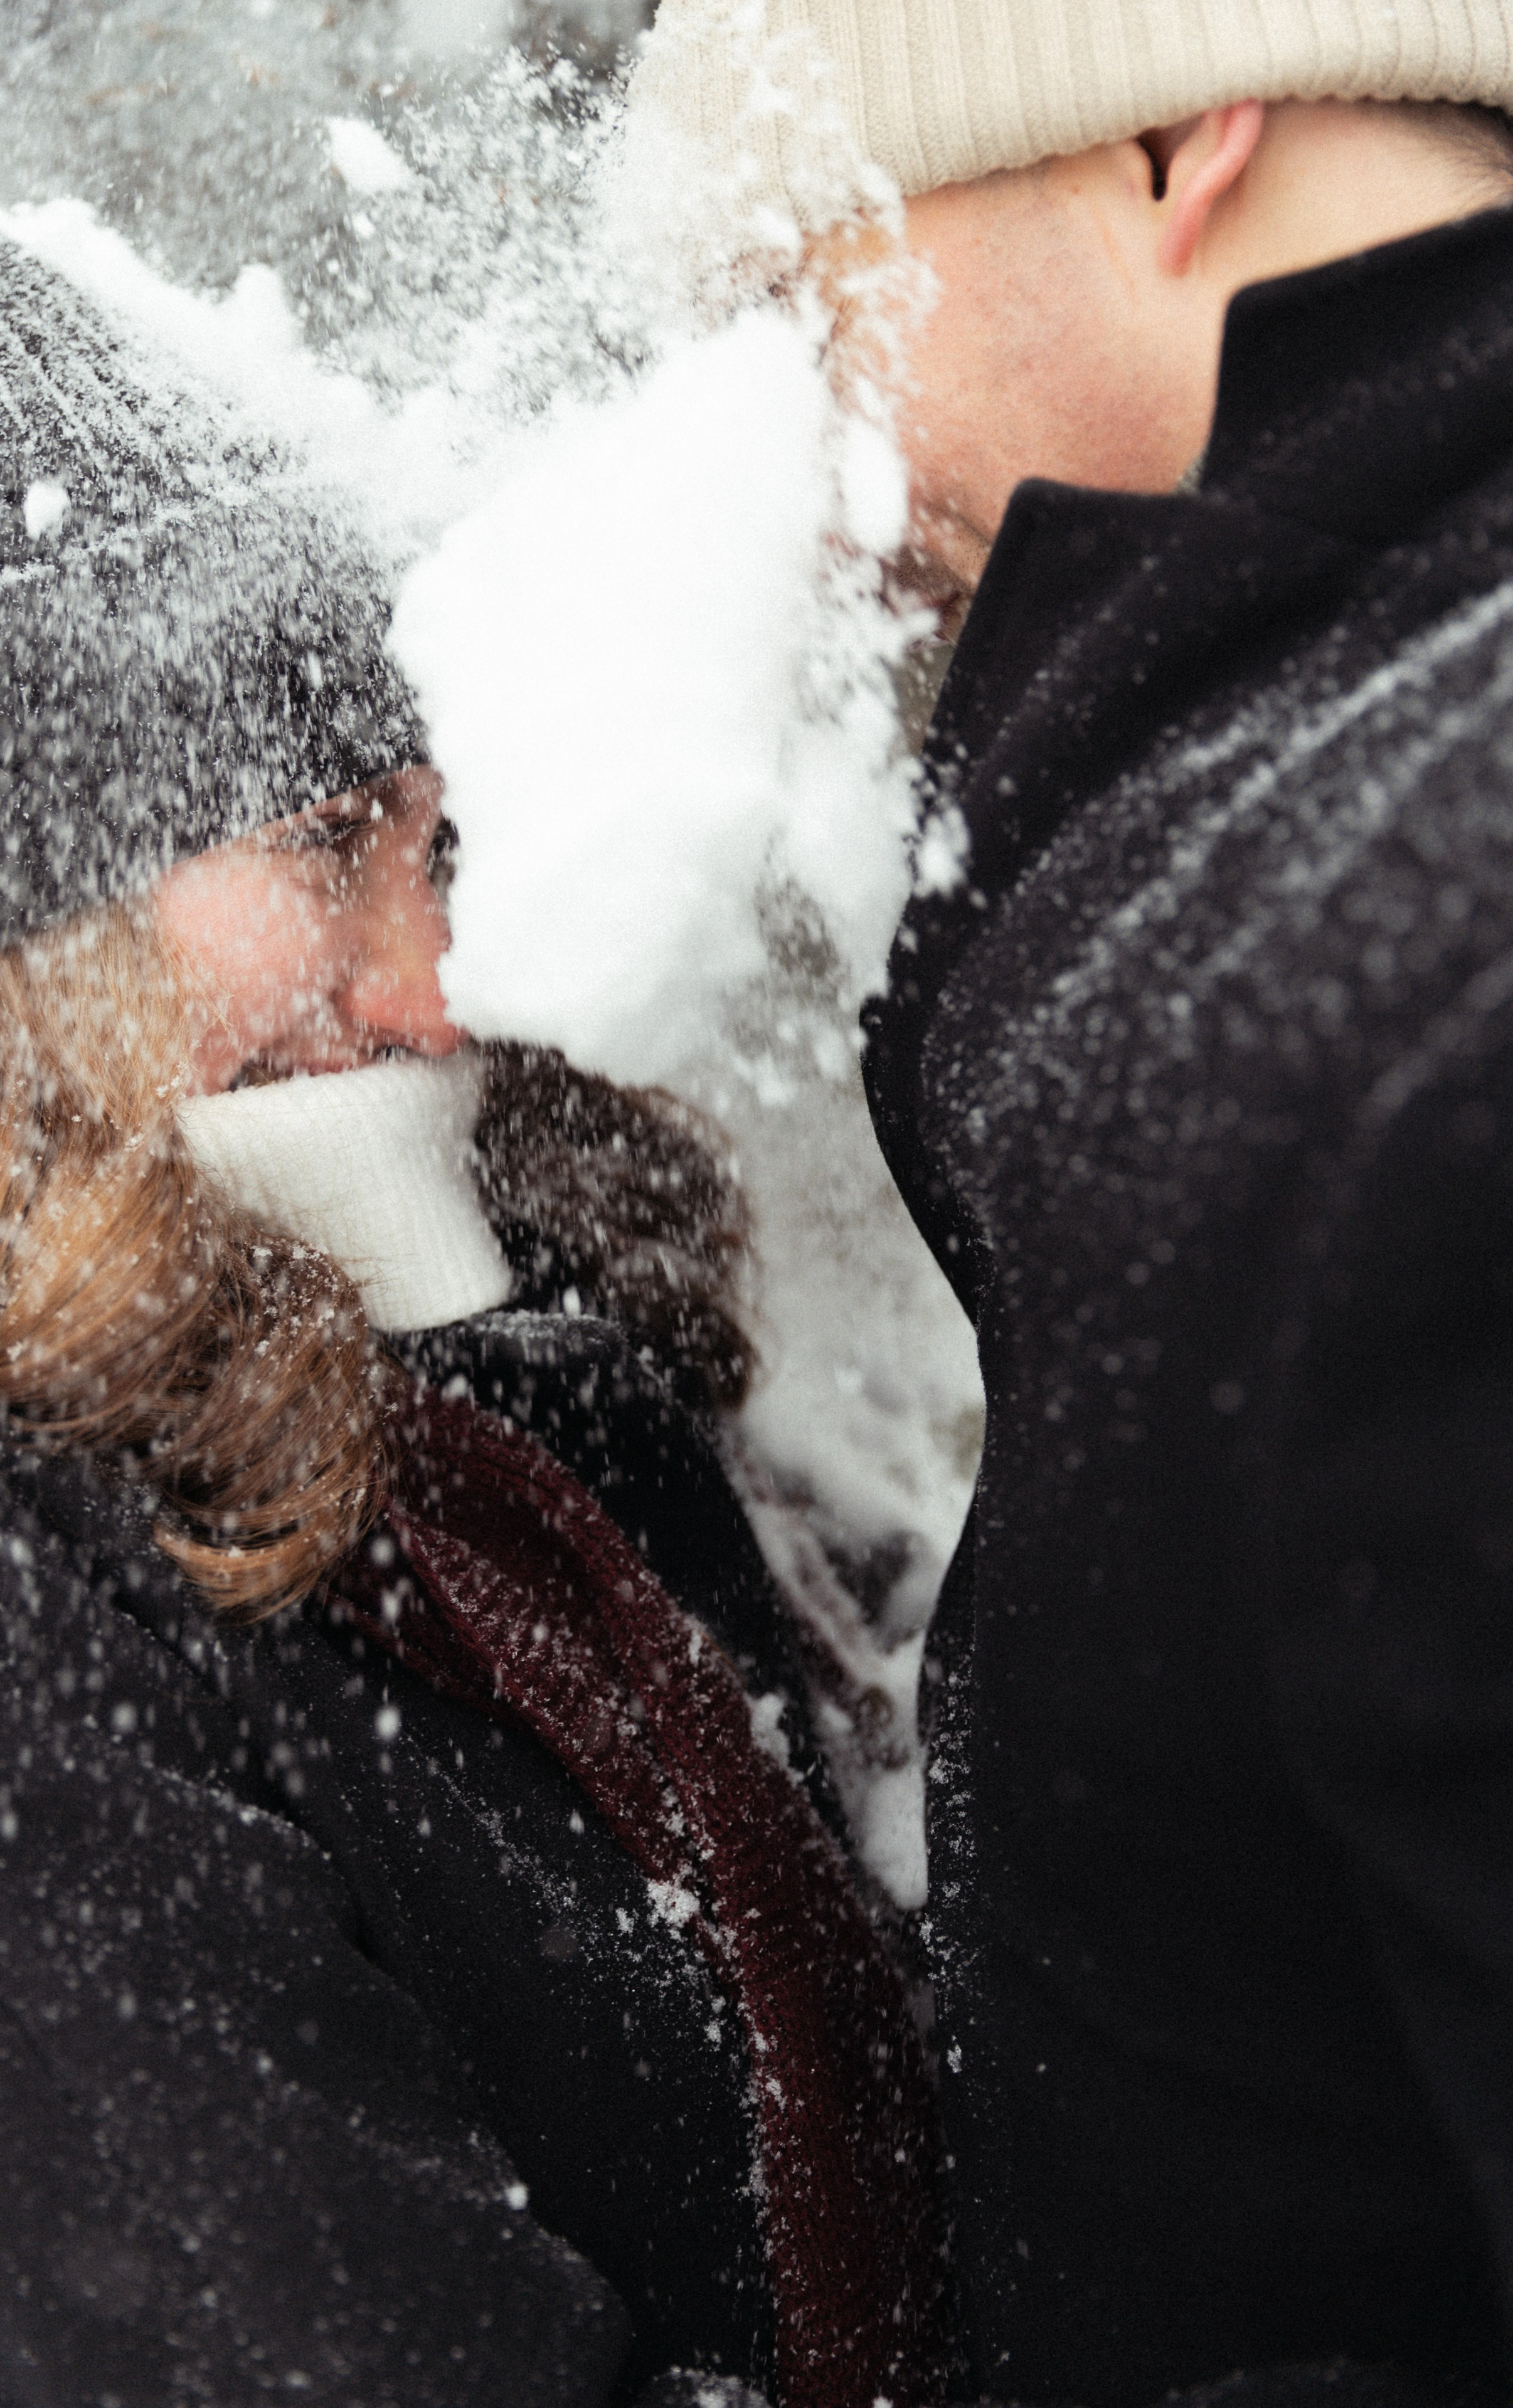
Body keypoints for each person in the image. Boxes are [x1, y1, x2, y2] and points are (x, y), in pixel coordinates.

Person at [0, 204, 944, 2408]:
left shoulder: (507, 1356)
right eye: (321, 845)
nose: (439, 982)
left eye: (443, 850)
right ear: (1, 928)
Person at [626, 3, 1513, 2403]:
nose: (802, 489)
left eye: (810, 308)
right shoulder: (1328, 765)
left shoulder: (1438, 957)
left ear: (1172, 139)